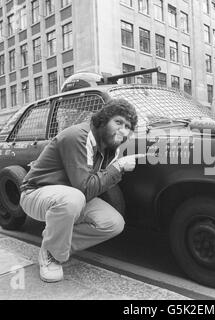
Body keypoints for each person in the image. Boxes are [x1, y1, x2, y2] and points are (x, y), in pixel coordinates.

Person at [20, 98, 143, 283]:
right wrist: (117, 168)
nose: (122, 130)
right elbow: (85, 188)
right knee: (73, 198)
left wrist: (115, 167)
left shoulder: (111, 148)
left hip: (73, 196)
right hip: (36, 193)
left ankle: (53, 245)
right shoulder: (78, 135)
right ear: (103, 119)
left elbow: (95, 186)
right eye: (118, 122)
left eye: (127, 126)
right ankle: (53, 255)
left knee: (113, 223)